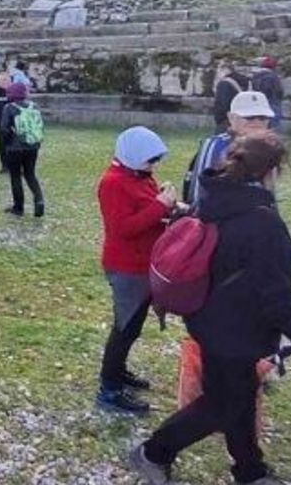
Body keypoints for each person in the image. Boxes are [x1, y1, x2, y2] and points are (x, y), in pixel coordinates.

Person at [130, 133, 291, 485]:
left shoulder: (213, 197)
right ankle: (153, 452)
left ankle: (250, 471)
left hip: (207, 318)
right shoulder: (263, 223)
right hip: (236, 332)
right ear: (272, 171)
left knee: (237, 397)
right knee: (222, 404)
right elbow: (279, 300)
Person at [96, 126, 182, 415]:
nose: (154, 165)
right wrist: (161, 206)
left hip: (143, 264)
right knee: (124, 328)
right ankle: (109, 389)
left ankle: (118, 373)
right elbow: (122, 229)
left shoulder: (139, 175)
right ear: (133, 156)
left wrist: (169, 207)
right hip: (126, 267)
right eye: (150, 160)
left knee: (132, 327)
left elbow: (147, 210)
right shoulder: (113, 183)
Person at [184, 91, 274, 209]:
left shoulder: (268, 148)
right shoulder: (215, 145)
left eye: (262, 118)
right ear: (231, 118)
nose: (257, 122)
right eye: (249, 117)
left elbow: (269, 193)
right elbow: (199, 193)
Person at [0, 82, 45, 217]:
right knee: (30, 174)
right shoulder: (33, 106)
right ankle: (39, 200)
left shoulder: (9, 108)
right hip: (32, 145)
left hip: (15, 147)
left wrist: (6, 144)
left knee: (15, 176)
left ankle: (18, 207)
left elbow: (4, 129)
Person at [212, 66, 252, 133]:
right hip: (242, 118)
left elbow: (223, 103)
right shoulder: (246, 82)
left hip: (225, 119)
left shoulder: (224, 84)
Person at [251, 56, 284, 131]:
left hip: (258, 103)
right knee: (274, 126)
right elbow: (278, 91)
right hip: (272, 102)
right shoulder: (273, 76)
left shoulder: (256, 76)